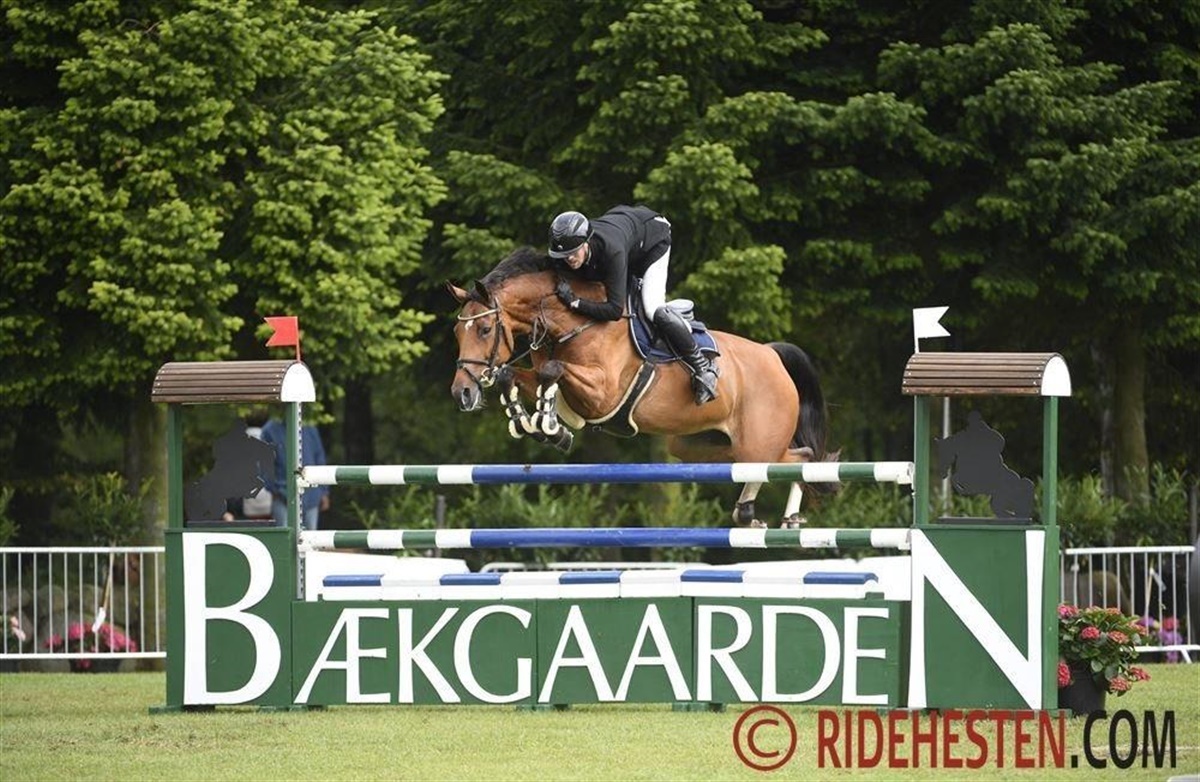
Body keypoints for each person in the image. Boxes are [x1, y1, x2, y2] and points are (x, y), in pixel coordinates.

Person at [547, 205, 719, 404]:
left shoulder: (612, 251)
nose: (569, 259)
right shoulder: (568, 252)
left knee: (653, 309)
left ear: (586, 242)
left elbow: (614, 310)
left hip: (654, 240)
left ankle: (702, 367)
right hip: (629, 231)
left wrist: (575, 302)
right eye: (564, 255)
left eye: (574, 252)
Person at [259, 418, 330, 530]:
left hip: (311, 495)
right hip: (283, 497)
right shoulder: (269, 430)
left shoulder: (310, 427)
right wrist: (274, 490)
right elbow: (264, 465)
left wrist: (323, 491)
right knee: (285, 541)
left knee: (310, 541)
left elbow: (319, 458)